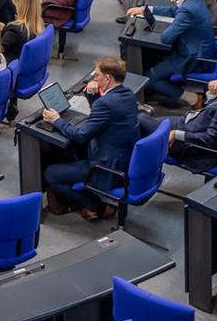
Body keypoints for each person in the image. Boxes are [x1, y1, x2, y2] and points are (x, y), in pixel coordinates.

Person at [41, 57, 142, 218]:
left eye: (97, 75)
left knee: (50, 174)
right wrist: (91, 94)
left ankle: (96, 206)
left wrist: (56, 120)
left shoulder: (106, 103)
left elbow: (81, 136)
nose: (94, 78)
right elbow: (105, 114)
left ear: (107, 78)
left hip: (106, 167)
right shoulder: (127, 94)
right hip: (123, 160)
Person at [128, 0, 213, 106]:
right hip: (196, 48)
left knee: (150, 77)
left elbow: (166, 38)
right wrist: (145, 10)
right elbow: (174, 11)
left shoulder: (188, 10)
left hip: (193, 57)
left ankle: (193, 98)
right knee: (153, 57)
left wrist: (171, 27)